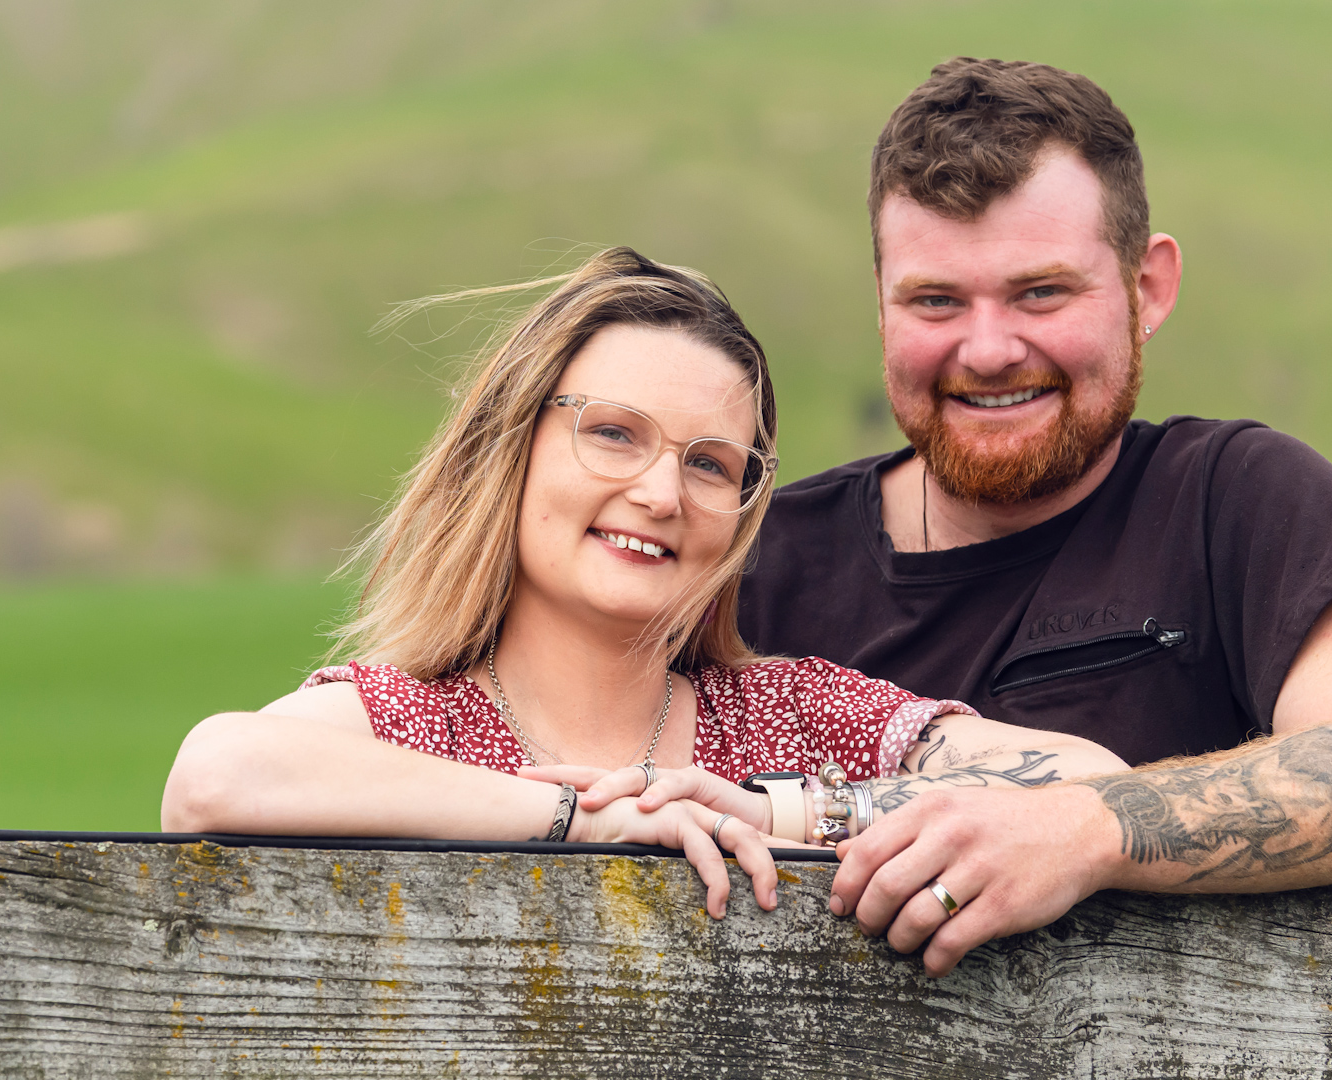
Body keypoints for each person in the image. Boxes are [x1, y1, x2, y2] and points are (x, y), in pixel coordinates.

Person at [731, 58, 1332, 974]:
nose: (986, 350)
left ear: (1148, 290)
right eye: (936, 300)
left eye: (1041, 293)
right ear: (882, 304)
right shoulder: (752, 560)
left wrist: (1079, 830)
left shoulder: (1236, 498)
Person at [161, 247, 1128, 918]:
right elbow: (215, 777)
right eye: (614, 433)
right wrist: (584, 821)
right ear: (514, 448)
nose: (661, 492)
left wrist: (785, 812)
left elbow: (1093, 784)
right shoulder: (414, 719)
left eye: (711, 464)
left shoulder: (791, 716)